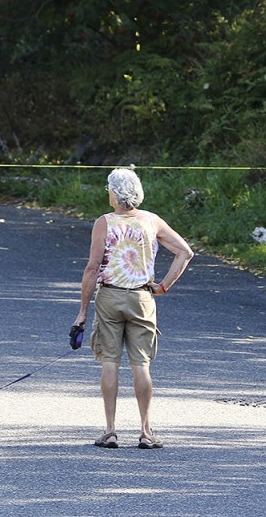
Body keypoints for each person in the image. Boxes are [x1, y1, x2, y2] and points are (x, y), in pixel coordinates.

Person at [72, 168, 194, 450]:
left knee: (110, 361)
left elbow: (92, 269)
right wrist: (163, 286)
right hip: (142, 298)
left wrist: (82, 312)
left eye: (108, 190)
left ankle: (111, 430)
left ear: (114, 194)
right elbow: (185, 252)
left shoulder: (104, 223)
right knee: (141, 364)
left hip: (110, 298)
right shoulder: (151, 221)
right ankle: (146, 431)